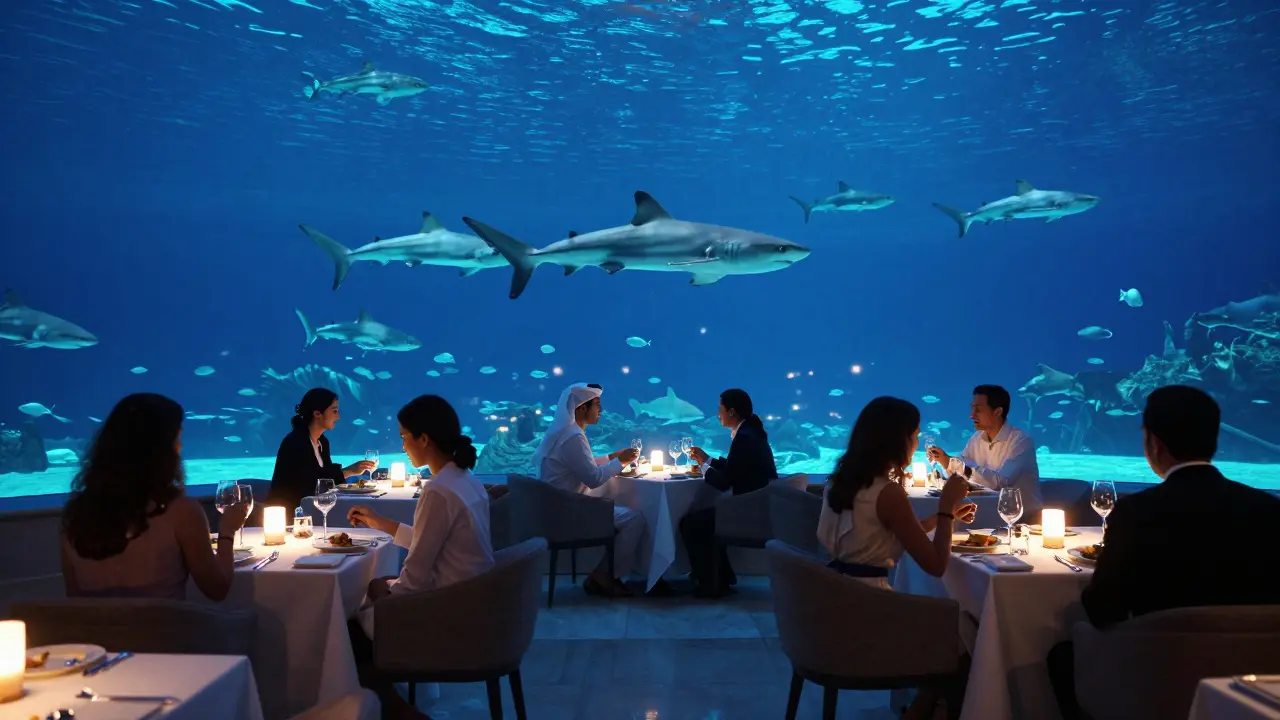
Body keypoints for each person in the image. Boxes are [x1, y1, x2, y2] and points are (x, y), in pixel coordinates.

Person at [1048, 385, 1280, 720]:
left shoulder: (1138, 512)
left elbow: (1103, 609)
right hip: (1252, 678)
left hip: (1159, 675)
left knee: (1062, 654)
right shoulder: (1268, 509)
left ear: (1154, 443)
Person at [345, 395, 494, 720]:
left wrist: (384, 593)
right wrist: (379, 522)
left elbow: (413, 581)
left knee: (347, 628)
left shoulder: (438, 490)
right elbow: (439, 545)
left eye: (403, 437)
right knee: (375, 588)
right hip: (475, 602)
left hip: (447, 615)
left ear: (423, 439)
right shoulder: (466, 481)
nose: (402, 447)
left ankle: (396, 712)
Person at [61, 393, 250, 601]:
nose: (181, 446)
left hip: (93, 633)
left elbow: (74, 597)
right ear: (160, 450)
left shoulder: (75, 515)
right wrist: (227, 531)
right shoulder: (181, 512)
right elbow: (217, 589)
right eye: (177, 438)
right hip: (164, 632)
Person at [819, 396, 977, 588]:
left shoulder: (839, 481)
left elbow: (885, 532)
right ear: (897, 440)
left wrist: (947, 515)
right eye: (915, 436)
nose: (917, 444)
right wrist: (946, 506)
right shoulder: (887, 492)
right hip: (866, 600)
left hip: (834, 590)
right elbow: (936, 565)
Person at [536, 382, 642, 598]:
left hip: (553, 506)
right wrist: (621, 462)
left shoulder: (564, 432)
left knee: (621, 511)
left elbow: (580, 464)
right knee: (634, 519)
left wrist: (611, 457)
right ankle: (605, 576)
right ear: (583, 408)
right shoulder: (573, 437)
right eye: (597, 405)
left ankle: (605, 574)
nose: (601, 410)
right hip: (566, 512)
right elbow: (593, 478)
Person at [682, 389, 778, 597]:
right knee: (702, 519)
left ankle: (709, 583)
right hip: (759, 507)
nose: (718, 414)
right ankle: (722, 577)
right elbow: (736, 468)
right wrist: (707, 459)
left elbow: (724, 482)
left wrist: (704, 468)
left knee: (692, 523)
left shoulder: (744, 438)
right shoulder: (750, 432)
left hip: (751, 514)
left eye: (720, 409)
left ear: (732, 412)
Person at [927, 384, 1044, 522]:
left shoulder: (1020, 441)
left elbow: (1000, 483)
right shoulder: (976, 438)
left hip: (1025, 518)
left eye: (978, 410)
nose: (971, 415)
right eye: (972, 409)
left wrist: (954, 463)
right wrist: (943, 461)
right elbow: (962, 475)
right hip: (990, 514)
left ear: (998, 411)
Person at [266, 388, 375, 515]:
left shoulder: (322, 442)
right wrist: (349, 471)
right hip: (291, 514)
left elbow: (325, 479)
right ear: (317, 413)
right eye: (334, 411)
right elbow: (313, 485)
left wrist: (350, 471)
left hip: (314, 511)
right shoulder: (295, 443)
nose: (338, 416)